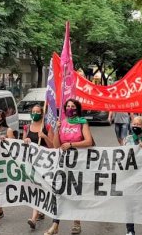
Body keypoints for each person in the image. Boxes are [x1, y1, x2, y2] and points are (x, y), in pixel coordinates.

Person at [44, 99, 93, 235]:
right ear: (65, 109)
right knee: (59, 192)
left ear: (77, 109)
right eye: (68, 106)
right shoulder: (63, 122)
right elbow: (56, 145)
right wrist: (57, 129)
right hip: (63, 162)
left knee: (75, 192)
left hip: (78, 162)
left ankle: (76, 222)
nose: (70, 108)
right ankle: (55, 224)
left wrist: (71, 145)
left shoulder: (82, 122)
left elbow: (88, 141)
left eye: (73, 106)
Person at [23, 105, 53, 229]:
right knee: (36, 188)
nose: (35, 113)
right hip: (32, 163)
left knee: (43, 188)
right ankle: (36, 215)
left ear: (42, 113)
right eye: (33, 111)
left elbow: (53, 146)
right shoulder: (26, 127)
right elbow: (21, 144)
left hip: (45, 163)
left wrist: (45, 137)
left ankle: (37, 215)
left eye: (37, 111)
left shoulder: (47, 127)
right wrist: (25, 141)